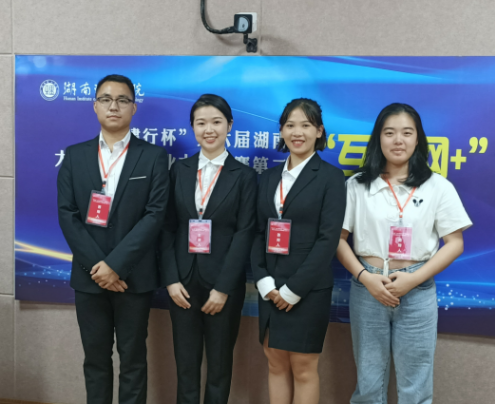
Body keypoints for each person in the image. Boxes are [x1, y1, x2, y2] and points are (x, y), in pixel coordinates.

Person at [336, 103, 473, 404]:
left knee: (416, 387)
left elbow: (455, 243)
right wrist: (365, 277)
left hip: (417, 290)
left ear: (418, 138)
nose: (398, 140)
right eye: (389, 133)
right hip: (368, 288)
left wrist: (413, 280)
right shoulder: (356, 185)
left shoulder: (438, 186)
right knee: (368, 384)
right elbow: (338, 240)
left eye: (407, 133)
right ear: (378, 138)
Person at [57, 74, 169, 404]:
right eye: (105, 99)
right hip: (89, 278)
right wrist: (99, 267)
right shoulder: (74, 155)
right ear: (95, 106)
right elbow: (67, 214)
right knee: (95, 361)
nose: (114, 106)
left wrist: (116, 265)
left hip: (133, 277)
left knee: (133, 361)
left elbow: (155, 215)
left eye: (122, 100)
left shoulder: (153, 156)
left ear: (134, 107)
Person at [159, 94, 257, 404]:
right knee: (186, 367)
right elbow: (167, 228)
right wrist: (171, 280)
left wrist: (223, 288)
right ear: (192, 128)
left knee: (219, 368)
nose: (209, 129)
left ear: (230, 125)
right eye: (201, 123)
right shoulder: (179, 170)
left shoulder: (244, 176)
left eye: (216, 122)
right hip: (182, 285)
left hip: (222, 287)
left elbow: (244, 234)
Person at [251, 98, 346, 404]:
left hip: (308, 289)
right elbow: (258, 232)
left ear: (319, 131)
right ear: (281, 131)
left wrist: (293, 290)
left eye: (306, 125)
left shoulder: (331, 178)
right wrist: (263, 281)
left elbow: (328, 240)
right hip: (270, 287)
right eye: (290, 125)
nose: (297, 132)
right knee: (275, 361)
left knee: (304, 367)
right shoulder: (268, 178)